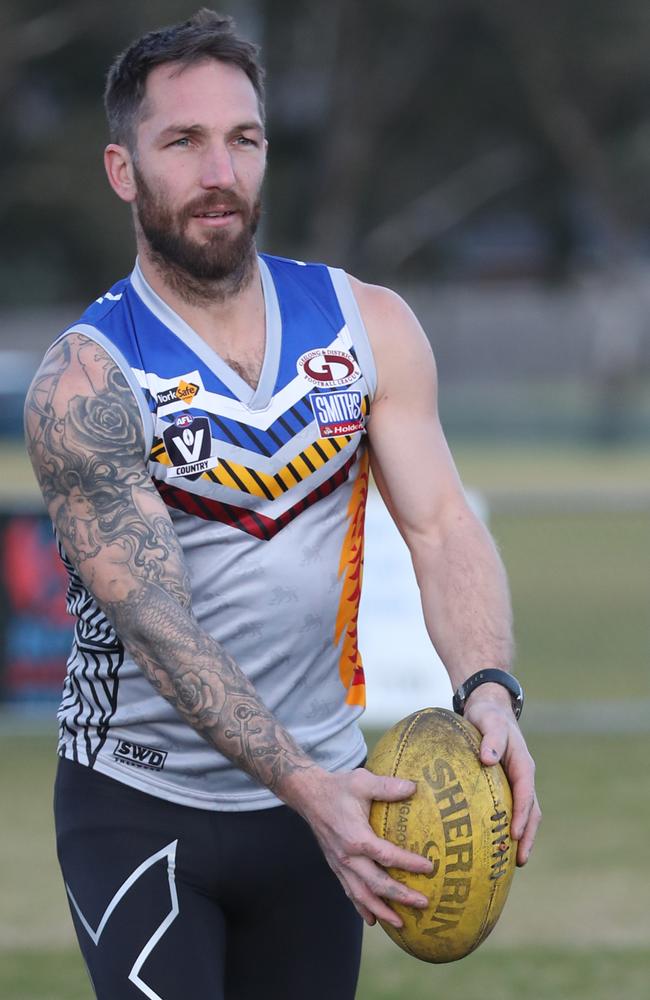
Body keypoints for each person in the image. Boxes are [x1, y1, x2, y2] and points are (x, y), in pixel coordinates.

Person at [24, 9, 541, 1000]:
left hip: (325, 807)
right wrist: (306, 786)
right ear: (122, 170)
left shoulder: (368, 326)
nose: (219, 171)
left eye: (243, 138)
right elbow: (159, 625)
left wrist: (486, 689)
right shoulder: (86, 381)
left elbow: (437, 526)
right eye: (182, 141)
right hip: (142, 806)